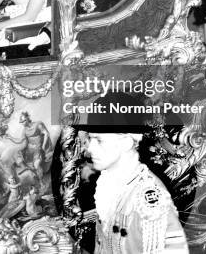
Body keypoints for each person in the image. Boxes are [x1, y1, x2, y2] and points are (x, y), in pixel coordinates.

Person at [76, 93, 188, 254]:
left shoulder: (147, 198)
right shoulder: (108, 184)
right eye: (91, 139)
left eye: (99, 140)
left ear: (127, 142)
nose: (90, 149)